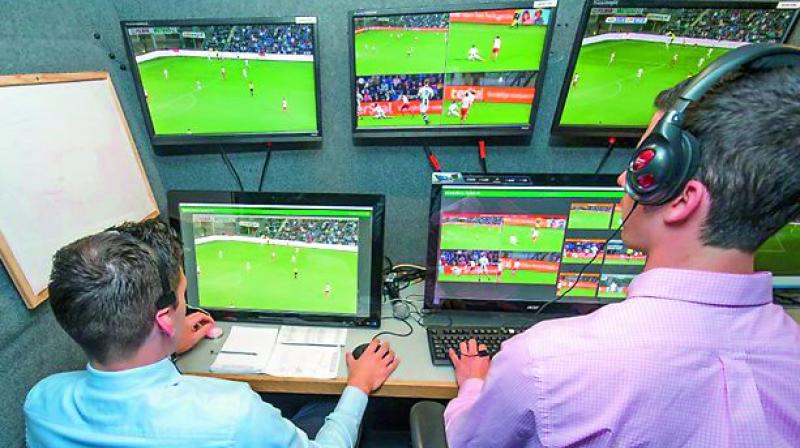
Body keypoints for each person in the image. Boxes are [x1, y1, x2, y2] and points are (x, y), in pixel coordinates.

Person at [443, 61, 800, 447]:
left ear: (680, 197)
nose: (622, 179)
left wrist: (474, 386)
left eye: (643, 164)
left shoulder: (543, 362)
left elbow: (470, 442)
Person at [25, 219, 399, 447]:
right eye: (184, 296)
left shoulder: (40, 402)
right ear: (164, 319)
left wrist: (166, 345)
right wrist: (359, 386)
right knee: (320, 410)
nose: (186, 305)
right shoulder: (233, 412)